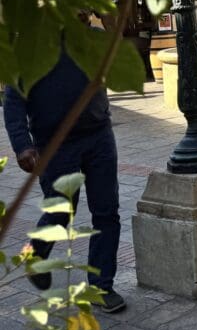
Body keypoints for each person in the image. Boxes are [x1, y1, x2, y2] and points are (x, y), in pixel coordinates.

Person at [3, 22, 125, 314]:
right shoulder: (30, 46)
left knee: (107, 212)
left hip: (98, 136)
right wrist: (22, 144)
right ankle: (35, 256)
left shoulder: (94, 37)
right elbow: (14, 100)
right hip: (55, 143)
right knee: (60, 210)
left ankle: (100, 287)